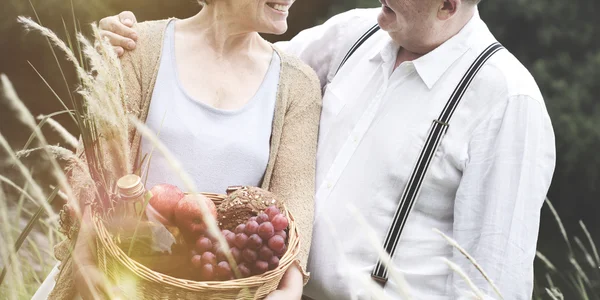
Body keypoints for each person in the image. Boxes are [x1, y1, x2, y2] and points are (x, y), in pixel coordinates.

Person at [98, 0, 556, 299]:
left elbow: (494, 284)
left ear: (448, 5)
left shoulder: (507, 101)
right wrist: (126, 43)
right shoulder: (356, 32)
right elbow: (246, 68)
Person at [37, 0, 322, 299]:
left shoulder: (297, 84)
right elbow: (95, 173)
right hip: (116, 280)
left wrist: (289, 289)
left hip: (220, 290)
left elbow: (294, 199)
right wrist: (85, 265)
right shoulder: (137, 46)